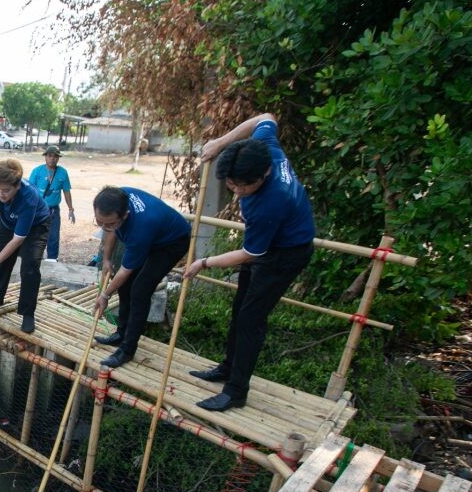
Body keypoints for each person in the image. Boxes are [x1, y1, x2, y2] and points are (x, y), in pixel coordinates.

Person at [183, 112, 315, 412]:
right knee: (240, 309)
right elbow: (266, 118)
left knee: (251, 319)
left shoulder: (272, 200)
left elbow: (252, 254)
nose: (238, 192)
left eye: (243, 187)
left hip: (284, 253)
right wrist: (219, 142)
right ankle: (228, 368)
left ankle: (236, 391)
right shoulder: (263, 145)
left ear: (264, 174)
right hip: (269, 246)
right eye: (232, 185)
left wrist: (204, 262)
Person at [92, 186, 191, 367]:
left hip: (172, 242)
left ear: (125, 215)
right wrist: (106, 259)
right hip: (154, 234)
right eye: (99, 222)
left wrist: (105, 295)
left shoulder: (140, 228)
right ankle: (121, 333)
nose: (105, 227)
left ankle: (127, 350)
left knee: (140, 290)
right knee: (125, 285)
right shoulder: (116, 197)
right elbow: (111, 230)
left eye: (110, 223)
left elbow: (125, 270)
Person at [0, 158, 51, 334]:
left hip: (36, 226)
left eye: (6, 191)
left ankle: (27, 313)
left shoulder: (29, 196)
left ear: (17, 186)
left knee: (30, 267)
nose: (1, 194)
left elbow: (18, 240)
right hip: (8, 222)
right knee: (2, 263)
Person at [28, 146, 75, 259]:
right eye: (50, 156)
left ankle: (52, 260)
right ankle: (34, 257)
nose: (52, 159)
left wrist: (70, 209)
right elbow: (29, 190)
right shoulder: (37, 171)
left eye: (55, 156)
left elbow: (66, 191)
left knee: (53, 236)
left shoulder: (63, 173)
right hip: (38, 209)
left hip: (54, 209)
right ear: (45, 157)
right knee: (36, 234)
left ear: (58, 158)